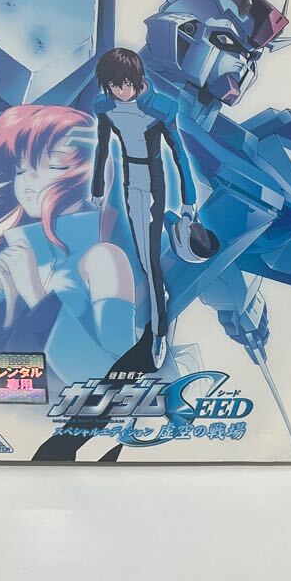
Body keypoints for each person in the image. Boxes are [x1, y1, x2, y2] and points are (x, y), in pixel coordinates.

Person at [0, 105, 137, 390]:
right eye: (21, 170)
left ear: (91, 174)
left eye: (54, 166)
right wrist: (10, 308)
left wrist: (35, 295)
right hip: (20, 405)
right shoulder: (18, 257)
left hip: (81, 411)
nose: (27, 183)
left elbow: (119, 378)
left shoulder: (103, 259)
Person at [91, 47, 197, 364]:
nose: (121, 91)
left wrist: (189, 200)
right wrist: (97, 189)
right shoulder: (105, 107)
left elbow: (179, 155)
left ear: (137, 79)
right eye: (114, 85)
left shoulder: (160, 108)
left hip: (153, 183)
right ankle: (158, 291)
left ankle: (158, 332)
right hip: (130, 182)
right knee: (142, 255)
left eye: (126, 83)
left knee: (150, 261)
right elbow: (102, 148)